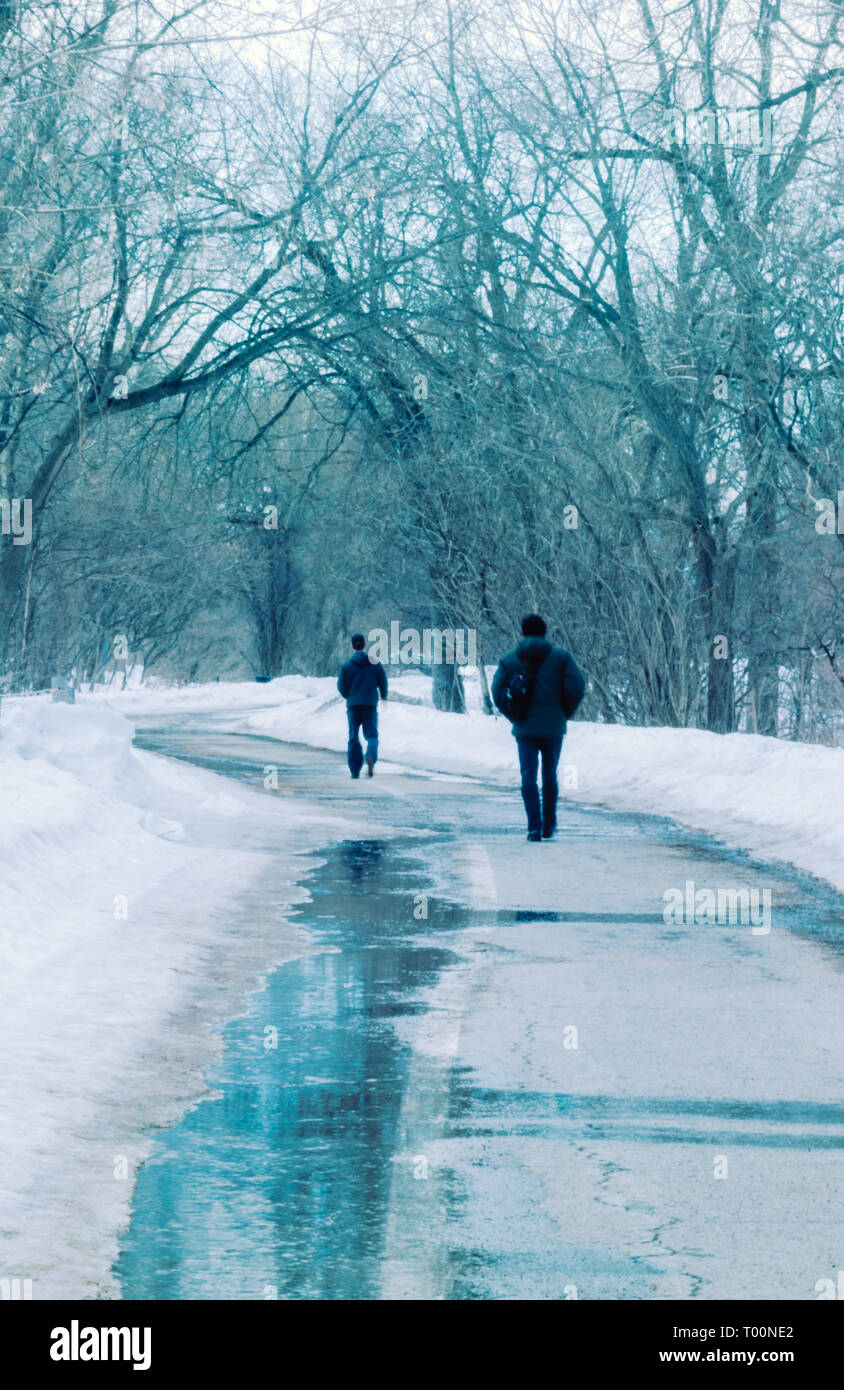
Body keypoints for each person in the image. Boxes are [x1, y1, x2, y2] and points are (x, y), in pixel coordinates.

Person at [491, 615, 585, 841]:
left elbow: (497, 692)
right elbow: (577, 687)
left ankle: (533, 826)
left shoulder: (510, 659)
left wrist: (514, 715)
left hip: (525, 729)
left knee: (528, 777)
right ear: (545, 631)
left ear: (522, 632)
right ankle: (549, 824)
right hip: (553, 728)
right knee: (550, 775)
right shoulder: (561, 658)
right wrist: (563, 713)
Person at [337, 633, 388, 779]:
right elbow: (382, 681)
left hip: (353, 707)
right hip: (370, 706)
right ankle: (370, 756)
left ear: (352, 646)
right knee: (372, 736)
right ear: (365, 645)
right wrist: (383, 695)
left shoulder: (346, 666)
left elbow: (341, 686)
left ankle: (354, 769)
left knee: (353, 737)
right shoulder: (375, 664)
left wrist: (350, 696)